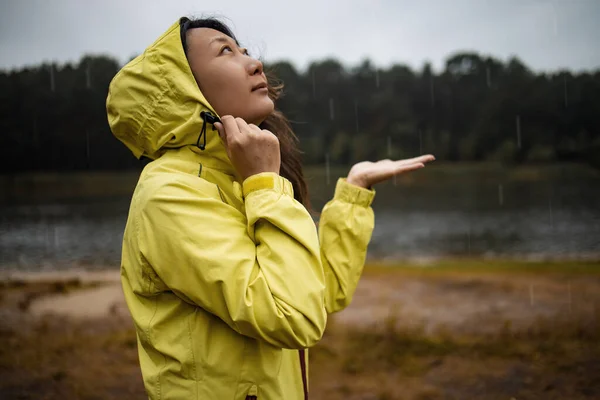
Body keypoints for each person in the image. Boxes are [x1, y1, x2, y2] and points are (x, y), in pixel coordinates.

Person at [106, 16, 435, 400]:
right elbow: (293, 316)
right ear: (182, 89)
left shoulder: (236, 179)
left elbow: (317, 295)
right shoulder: (170, 194)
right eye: (225, 51)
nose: (254, 62)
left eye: (244, 49)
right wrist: (264, 182)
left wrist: (352, 195)